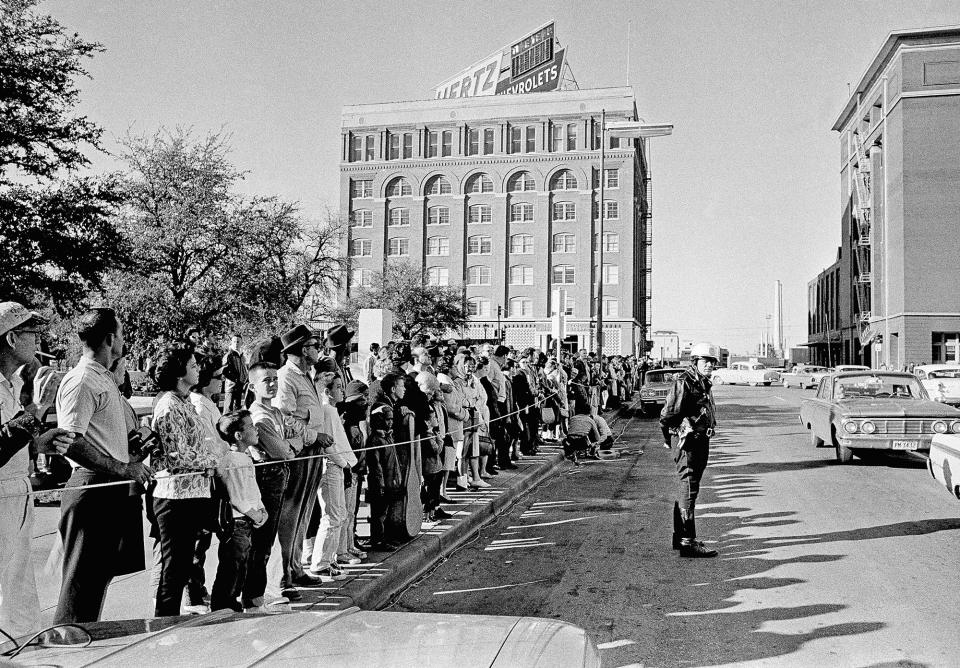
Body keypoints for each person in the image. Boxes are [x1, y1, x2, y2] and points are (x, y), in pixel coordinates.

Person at [54, 308, 152, 624]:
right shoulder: (82, 380)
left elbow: (102, 437)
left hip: (111, 488)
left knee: (96, 581)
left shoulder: (103, 378)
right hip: (93, 490)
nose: (124, 341)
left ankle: (80, 640)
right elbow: (71, 440)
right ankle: (65, 648)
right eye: (122, 334)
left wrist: (132, 449)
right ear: (110, 338)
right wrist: (122, 468)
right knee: (80, 585)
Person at [0, 303, 73, 644]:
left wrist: (41, 443)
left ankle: (22, 640)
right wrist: (33, 412)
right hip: (1, 493)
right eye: (32, 333)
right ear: (12, 338)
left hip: (17, 489)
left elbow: (10, 442)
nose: (38, 339)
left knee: (19, 575)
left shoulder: (11, 384)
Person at [150, 346, 221, 616]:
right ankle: (164, 619)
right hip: (174, 497)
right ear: (179, 373)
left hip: (191, 494)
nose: (197, 369)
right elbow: (176, 456)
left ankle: (171, 616)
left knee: (182, 565)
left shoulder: (184, 402)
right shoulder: (169, 405)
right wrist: (210, 461)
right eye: (192, 365)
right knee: (173, 565)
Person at [274, 325, 333, 599]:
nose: (316, 349)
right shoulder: (286, 377)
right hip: (299, 452)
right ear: (300, 350)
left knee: (304, 512)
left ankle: (296, 566)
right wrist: (313, 436)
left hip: (312, 452)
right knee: (291, 514)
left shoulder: (306, 375)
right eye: (312, 345)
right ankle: (284, 574)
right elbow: (284, 419)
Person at [244, 362, 296, 610]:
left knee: (270, 538)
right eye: (267, 380)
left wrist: (288, 447)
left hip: (279, 475)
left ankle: (266, 589)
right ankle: (255, 594)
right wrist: (288, 448)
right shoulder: (259, 416)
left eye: (275, 378)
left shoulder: (274, 412)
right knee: (262, 539)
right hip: (267, 477)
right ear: (253, 385)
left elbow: (289, 444)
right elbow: (281, 451)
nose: (273, 383)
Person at [660, 342, 720, 559]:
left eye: (712, 362)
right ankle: (687, 542)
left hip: (699, 442)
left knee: (687, 487)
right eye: (706, 362)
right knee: (688, 487)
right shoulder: (685, 382)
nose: (710, 366)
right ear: (695, 362)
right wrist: (673, 436)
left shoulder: (701, 382)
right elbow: (667, 415)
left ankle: (680, 537)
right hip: (689, 443)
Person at [211, 410, 268, 612]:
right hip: (238, 522)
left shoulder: (244, 458)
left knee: (241, 565)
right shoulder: (234, 460)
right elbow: (237, 497)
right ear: (238, 435)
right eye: (251, 426)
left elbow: (252, 490)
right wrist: (255, 513)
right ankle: (223, 607)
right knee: (232, 567)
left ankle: (230, 605)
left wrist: (261, 508)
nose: (256, 429)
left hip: (247, 520)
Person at [222, 333, 248, 411]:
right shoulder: (228, 355)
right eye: (234, 341)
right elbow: (225, 371)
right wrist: (236, 379)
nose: (236, 343)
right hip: (231, 387)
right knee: (228, 410)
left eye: (238, 342)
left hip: (239, 387)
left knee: (237, 410)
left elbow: (244, 370)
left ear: (241, 343)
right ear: (231, 342)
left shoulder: (242, 356)